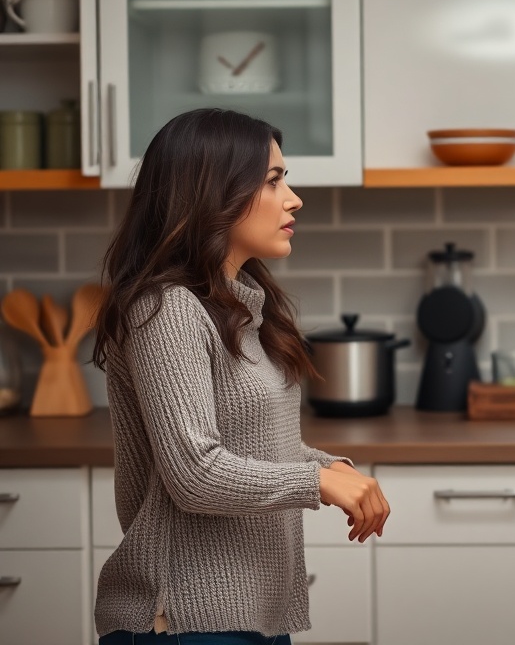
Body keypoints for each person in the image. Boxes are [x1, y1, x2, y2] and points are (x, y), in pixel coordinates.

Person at [92, 108, 390, 644]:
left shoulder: (241, 310)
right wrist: (316, 482)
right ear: (213, 192)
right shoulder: (167, 309)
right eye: (273, 180)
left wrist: (333, 469)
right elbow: (195, 473)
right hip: (183, 617)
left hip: (252, 612)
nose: (293, 198)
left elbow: (255, 446)